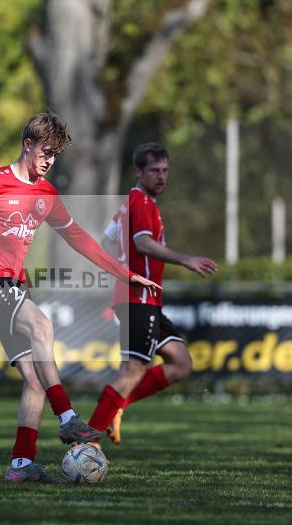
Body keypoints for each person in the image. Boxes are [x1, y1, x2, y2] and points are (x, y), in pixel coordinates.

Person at [0, 112, 161, 482]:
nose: (49, 161)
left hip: (12, 286)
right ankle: (69, 418)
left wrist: (127, 273)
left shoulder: (45, 194)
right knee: (42, 325)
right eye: (45, 152)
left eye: (55, 155)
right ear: (27, 145)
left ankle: (22, 464)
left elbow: (80, 239)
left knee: (34, 378)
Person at [87, 142, 217, 443]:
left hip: (145, 299)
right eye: (154, 170)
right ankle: (87, 440)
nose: (161, 176)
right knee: (133, 370)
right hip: (138, 298)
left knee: (181, 362)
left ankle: (114, 408)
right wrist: (185, 259)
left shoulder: (129, 205)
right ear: (138, 171)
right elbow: (144, 243)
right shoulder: (140, 203)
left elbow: (107, 243)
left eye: (165, 170)